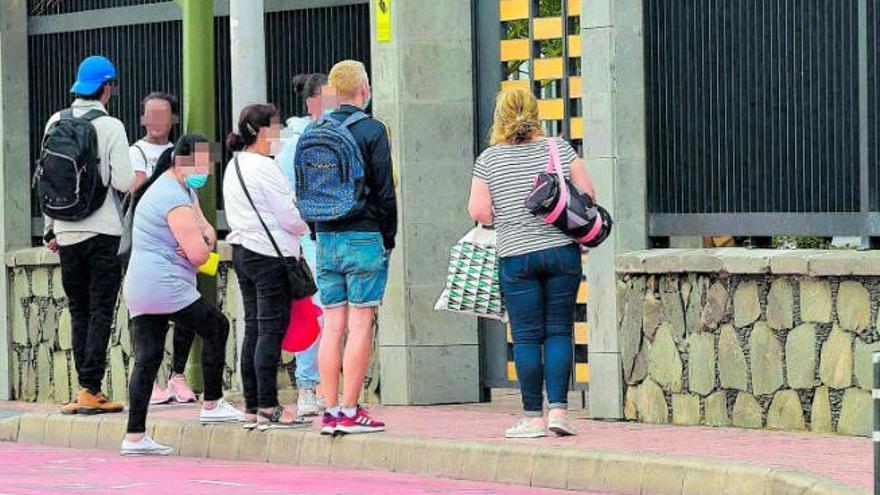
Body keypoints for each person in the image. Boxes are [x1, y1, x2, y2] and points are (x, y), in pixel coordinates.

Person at [467, 88, 596, 439]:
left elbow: (478, 210)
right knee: (559, 330)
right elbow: (588, 196)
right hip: (561, 252)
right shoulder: (559, 149)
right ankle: (559, 412)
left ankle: (532, 418)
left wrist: (507, 215)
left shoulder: (490, 159)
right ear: (535, 112)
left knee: (526, 338)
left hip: (516, 256)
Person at [121, 134, 244, 456]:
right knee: (216, 326)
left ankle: (134, 437)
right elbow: (201, 253)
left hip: (142, 285)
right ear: (181, 162)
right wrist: (199, 243)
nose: (206, 170)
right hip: (166, 284)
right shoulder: (172, 197)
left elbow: (204, 232)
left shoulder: (179, 188)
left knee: (146, 359)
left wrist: (199, 240)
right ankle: (213, 403)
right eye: (201, 164)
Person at [44, 55, 134, 415]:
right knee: (100, 310)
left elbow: (48, 179)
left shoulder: (55, 120)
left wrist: (51, 227)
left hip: (64, 230)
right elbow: (124, 181)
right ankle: (90, 389)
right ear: (107, 87)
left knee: (79, 310)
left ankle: (82, 389)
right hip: (102, 230)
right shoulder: (111, 126)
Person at [314, 60, 397, 435]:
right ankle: (350, 410)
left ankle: (329, 410)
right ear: (364, 88)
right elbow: (385, 190)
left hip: (326, 237)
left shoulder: (316, 130)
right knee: (361, 322)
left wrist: (318, 230)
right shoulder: (372, 129)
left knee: (332, 325)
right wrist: (388, 235)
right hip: (363, 236)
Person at [223, 103, 312, 430]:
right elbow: (290, 217)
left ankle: (252, 405)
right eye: (274, 128)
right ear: (262, 131)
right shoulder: (265, 167)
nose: (278, 135)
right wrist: (305, 224)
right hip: (270, 257)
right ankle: (269, 406)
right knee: (270, 330)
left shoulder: (234, 165)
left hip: (243, 253)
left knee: (255, 329)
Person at [128, 91, 197, 405]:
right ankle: (151, 381)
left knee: (186, 312)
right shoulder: (136, 152)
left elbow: (192, 196)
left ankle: (178, 375)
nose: (155, 121)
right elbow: (134, 190)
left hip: (180, 245)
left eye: (162, 114)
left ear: (174, 119)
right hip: (147, 245)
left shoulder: (181, 152)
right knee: (145, 317)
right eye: (149, 114)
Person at [276, 72, 336, 416]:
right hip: (306, 241)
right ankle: (309, 388)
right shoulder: (291, 142)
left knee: (332, 318)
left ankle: (322, 389)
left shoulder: (333, 135)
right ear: (314, 101)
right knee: (314, 317)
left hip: (327, 237)